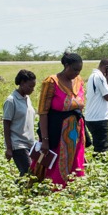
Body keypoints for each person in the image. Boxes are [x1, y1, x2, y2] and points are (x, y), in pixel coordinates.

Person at [35, 52, 86, 188]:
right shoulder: (51, 82)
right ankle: (53, 191)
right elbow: (43, 112)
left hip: (75, 133)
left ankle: (74, 189)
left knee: (76, 161)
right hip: (56, 132)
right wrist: (45, 139)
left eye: (79, 70)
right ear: (66, 65)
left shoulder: (78, 81)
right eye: (74, 69)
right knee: (55, 164)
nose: (77, 73)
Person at [3, 69, 37, 179]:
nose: (32, 90)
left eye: (33, 87)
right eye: (30, 87)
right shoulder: (11, 100)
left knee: (34, 172)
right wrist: (9, 148)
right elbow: (6, 125)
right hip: (18, 144)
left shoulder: (27, 98)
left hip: (30, 143)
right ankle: (19, 194)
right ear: (22, 83)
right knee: (27, 172)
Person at [85, 58, 108, 154]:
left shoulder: (92, 76)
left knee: (98, 146)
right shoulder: (99, 77)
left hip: (92, 117)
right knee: (102, 149)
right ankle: (100, 166)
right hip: (99, 118)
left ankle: (97, 166)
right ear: (107, 68)